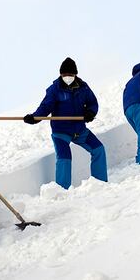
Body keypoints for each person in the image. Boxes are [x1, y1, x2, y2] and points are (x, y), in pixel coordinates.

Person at [23, 57, 108, 189]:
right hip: (61, 132)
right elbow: (45, 106)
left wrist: (90, 112)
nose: (67, 77)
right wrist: (34, 118)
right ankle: (62, 191)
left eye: (70, 75)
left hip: (80, 130)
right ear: (60, 74)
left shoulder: (83, 87)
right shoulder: (54, 89)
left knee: (99, 149)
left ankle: (101, 184)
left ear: (75, 75)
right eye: (64, 75)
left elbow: (92, 102)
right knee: (65, 159)